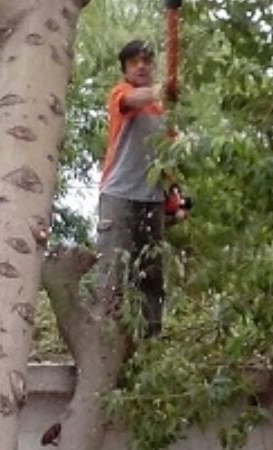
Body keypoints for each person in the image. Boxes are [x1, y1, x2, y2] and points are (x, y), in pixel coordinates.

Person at [96, 40, 167, 337]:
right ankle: (105, 340)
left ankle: (151, 343)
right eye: (134, 62)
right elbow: (133, 101)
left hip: (153, 200)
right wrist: (163, 88)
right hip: (119, 197)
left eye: (146, 61)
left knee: (151, 276)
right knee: (113, 271)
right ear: (125, 68)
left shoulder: (163, 112)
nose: (141, 66)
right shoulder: (121, 95)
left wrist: (176, 199)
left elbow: (167, 157)